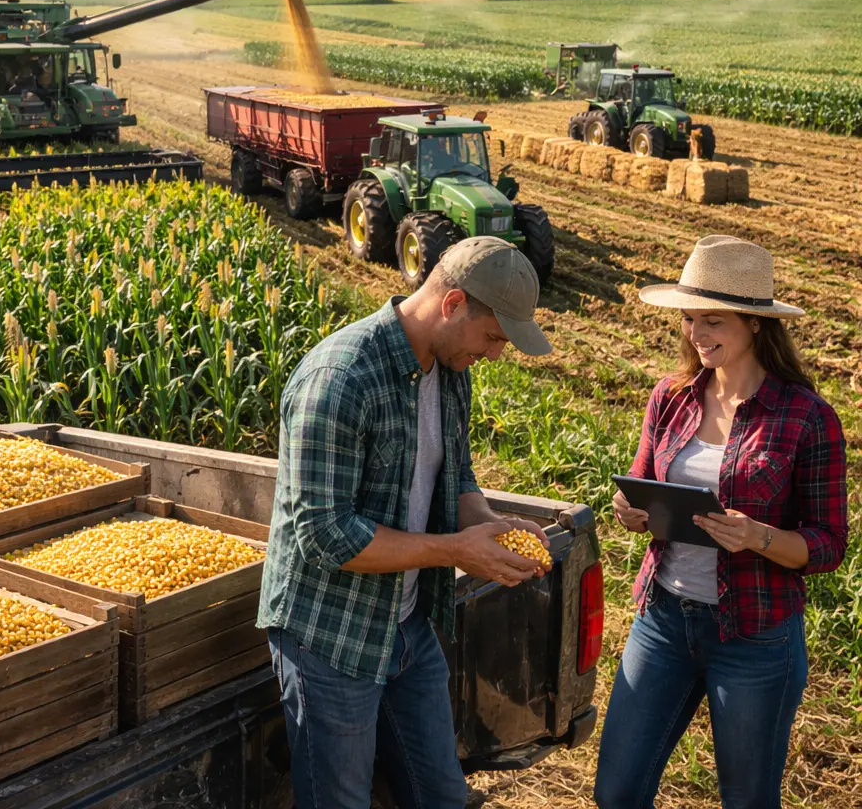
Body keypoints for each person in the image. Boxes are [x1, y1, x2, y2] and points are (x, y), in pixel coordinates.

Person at [258, 236, 555, 809]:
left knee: (440, 792)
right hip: (330, 634)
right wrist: (456, 551)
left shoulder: (450, 370)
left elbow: (456, 477)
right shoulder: (341, 378)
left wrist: (492, 527)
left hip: (405, 624)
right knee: (339, 800)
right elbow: (326, 536)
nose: (495, 355)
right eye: (493, 336)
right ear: (452, 304)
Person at [596, 235, 848, 809]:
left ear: (756, 323)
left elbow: (830, 545)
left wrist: (757, 536)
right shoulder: (672, 396)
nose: (696, 334)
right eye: (689, 319)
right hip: (662, 621)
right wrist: (630, 513)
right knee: (616, 791)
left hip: (755, 636)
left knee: (747, 798)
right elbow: (643, 483)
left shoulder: (807, 417)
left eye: (713, 320)